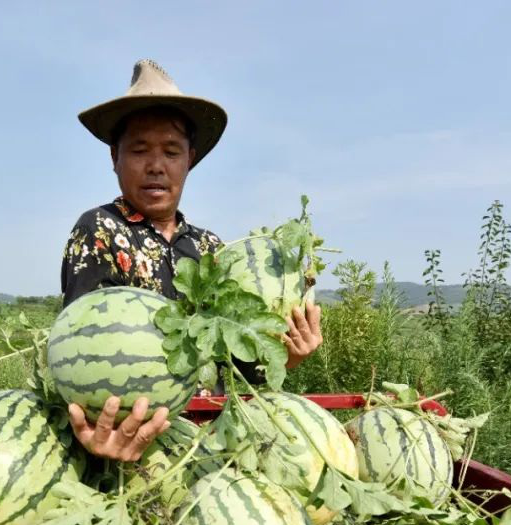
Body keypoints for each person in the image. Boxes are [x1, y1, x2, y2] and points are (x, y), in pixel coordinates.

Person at [60, 60, 323, 462]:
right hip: (134, 447)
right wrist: (99, 435)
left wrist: (286, 356)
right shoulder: (99, 230)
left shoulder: (211, 248)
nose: (156, 166)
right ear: (115, 157)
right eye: (139, 150)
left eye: (171, 151)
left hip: (212, 442)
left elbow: (237, 371)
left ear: (189, 160)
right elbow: (78, 356)